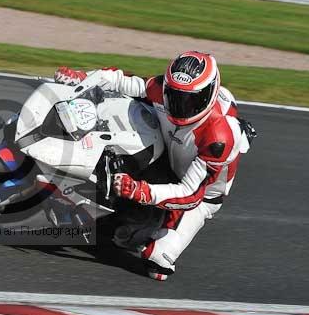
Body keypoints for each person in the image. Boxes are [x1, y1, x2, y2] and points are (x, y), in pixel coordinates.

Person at [54, 52, 255, 281]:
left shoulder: (219, 137)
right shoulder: (164, 89)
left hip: (198, 195)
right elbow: (124, 81)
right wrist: (83, 79)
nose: (180, 106)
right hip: (163, 156)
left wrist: (139, 191)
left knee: (156, 262)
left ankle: (129, 222)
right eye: (175, 96)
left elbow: (190, 194)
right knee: (127, 105)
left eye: (190, 100)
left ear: (208, 94)